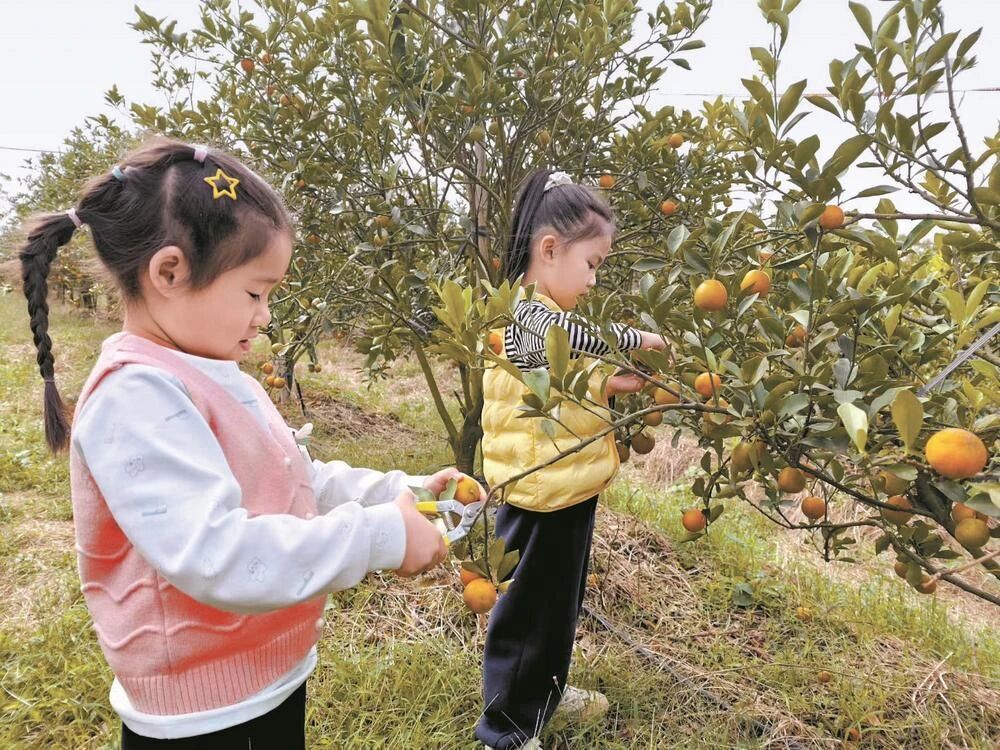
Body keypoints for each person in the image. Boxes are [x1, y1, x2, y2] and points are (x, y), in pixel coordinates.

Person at [17, 137, 472, 749]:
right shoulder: (135, 397)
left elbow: (290, 476)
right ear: (169, 273)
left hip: (265, 678)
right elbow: (216, 554)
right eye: (255, 293)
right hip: (202, 716)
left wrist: (399, 491)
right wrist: (378, 535)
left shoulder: (214, 371)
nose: (265, 316)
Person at [475, 168, 666, 750]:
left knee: (558, 605)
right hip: (540, 493)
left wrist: (611, 384)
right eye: (592, 264)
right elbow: (571, 337)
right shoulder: (525, 312)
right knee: (529, 612)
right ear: (550, 249)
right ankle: (506, 729)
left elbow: (558, 380)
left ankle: (545, 691)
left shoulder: (541, 322)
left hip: (568, 485)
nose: (592, 279)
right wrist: (637, 339)